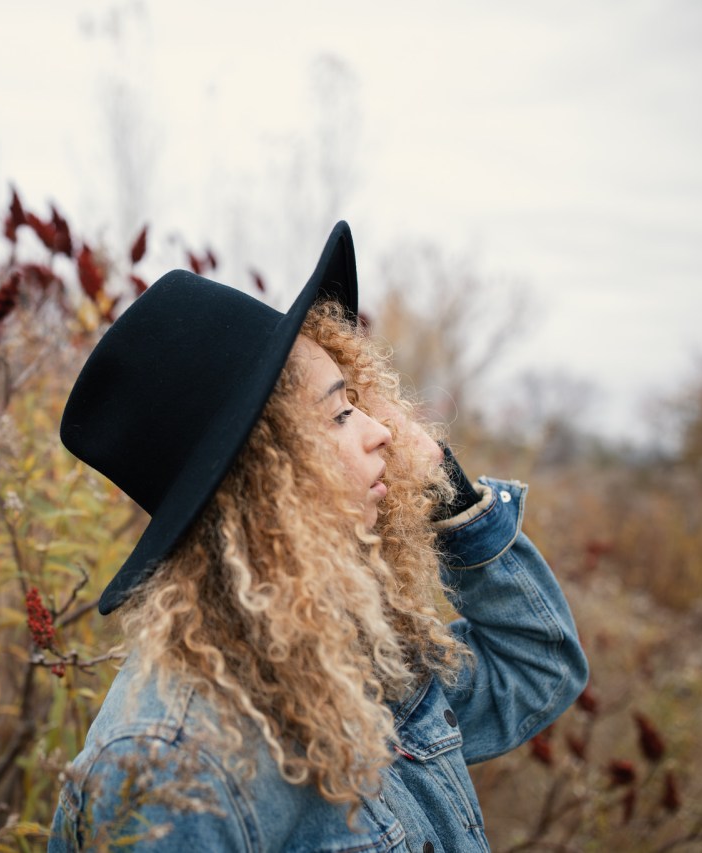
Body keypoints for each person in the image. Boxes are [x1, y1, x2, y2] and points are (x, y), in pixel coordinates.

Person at [51, 222, 588, 852]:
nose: (384, 430)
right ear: (259, 477)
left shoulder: (346, 652)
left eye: (357, 401)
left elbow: (535, 667)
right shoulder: (171, 766)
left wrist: (449, 492)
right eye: (339, 413)